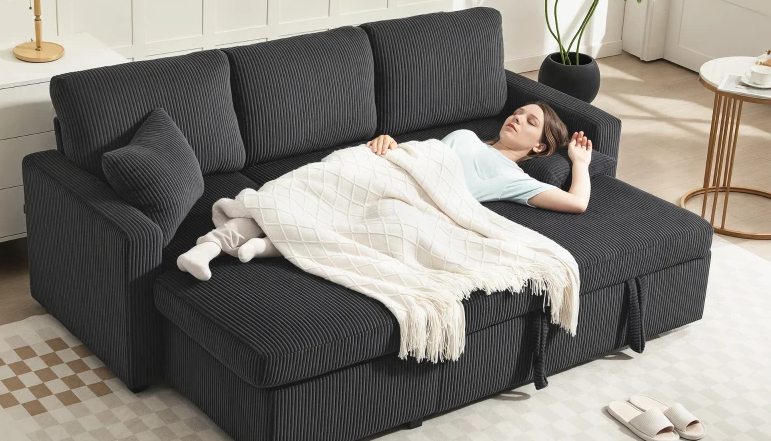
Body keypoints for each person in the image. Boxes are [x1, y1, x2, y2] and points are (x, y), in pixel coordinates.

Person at [177, 102, 592, 280]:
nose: (517, 118)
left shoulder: (514, 177)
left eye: (531, 122)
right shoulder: (471, 137)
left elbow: (577, 203)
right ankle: (213, 246)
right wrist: (390, 143)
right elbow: (427, 156)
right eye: (519, 112)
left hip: (414, 196)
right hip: (393, 166)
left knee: (342, 214)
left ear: (540, 147)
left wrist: (579, 163)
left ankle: (254, 244)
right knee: (310, 180)